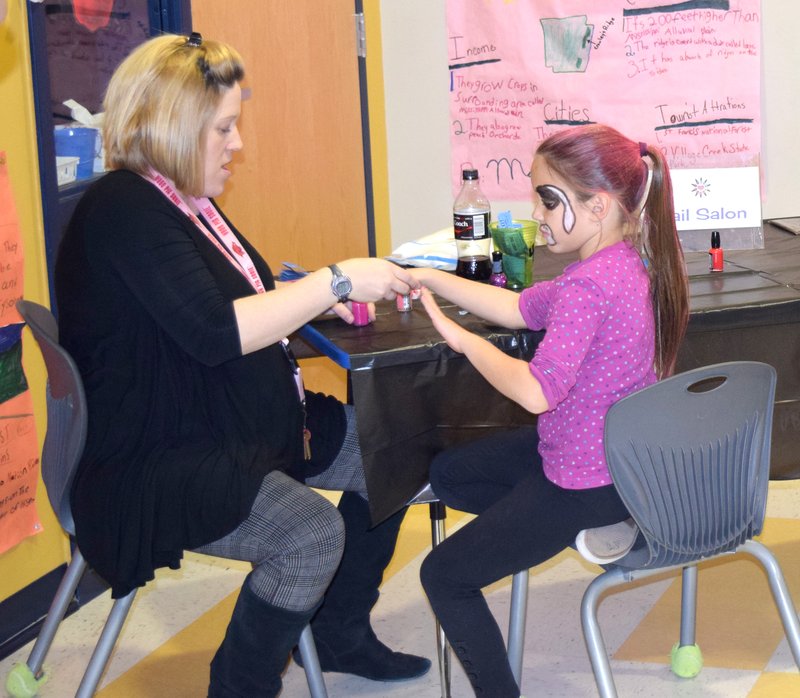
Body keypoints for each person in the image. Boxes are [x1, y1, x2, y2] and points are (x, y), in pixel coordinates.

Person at [54, 33, 430, 697]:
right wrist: (335, 283)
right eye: (223, 128)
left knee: (391, 450)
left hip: (224, 415)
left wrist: (315, 302)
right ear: (175, 127)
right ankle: (238, 685)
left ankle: (339, 631)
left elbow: (244, 298)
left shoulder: (181, 204)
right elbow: (214, 330)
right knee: (309, 535)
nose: (236, 144)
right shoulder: (123, 210)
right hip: (158, 454)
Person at [409, 124, 689, 696]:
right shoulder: (631, 260)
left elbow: (539, 392)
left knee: (443, 576)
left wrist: (465, 343)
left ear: (598, 205)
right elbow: (516, 308)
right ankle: (543, 528)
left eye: (546, 197)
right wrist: (428, 279)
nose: (534, 210)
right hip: (611, 461)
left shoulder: (588, 286)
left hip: (584, 482)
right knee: (448, 475)